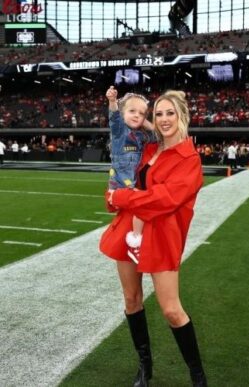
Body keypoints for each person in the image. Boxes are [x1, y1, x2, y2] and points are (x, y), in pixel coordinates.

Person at [99, 90, 207, 387]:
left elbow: (165, 199)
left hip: (162, 234)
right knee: (132, 300)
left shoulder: (189, 158)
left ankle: (197, 375)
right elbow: (123, 171)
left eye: (169, 113)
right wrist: (114, 195)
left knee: (172, 310)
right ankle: (144, 366)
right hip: (129, 229)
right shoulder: (147, 147)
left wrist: (122, 196)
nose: (163, 119)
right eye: (157, 114)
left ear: (182, 115)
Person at [105, 86, 156, 265]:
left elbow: (159, 136)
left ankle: (135, 239)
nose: (136, 115)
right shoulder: (120, 132)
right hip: (120, 185)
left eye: (141, 113)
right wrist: (113, 102)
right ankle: (135, 242)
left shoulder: (141, 135)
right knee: (143, 205)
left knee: (143, 206)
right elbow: (114, 118)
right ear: (122, 112)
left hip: (131, 183)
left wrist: (145, 122)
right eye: (132, 111)